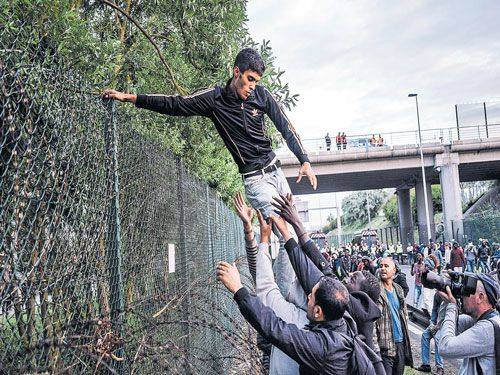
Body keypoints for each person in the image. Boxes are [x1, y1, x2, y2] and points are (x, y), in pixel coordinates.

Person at [103, 48, 317, 220]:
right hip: (255, 180)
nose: (252, 86)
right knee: (283, 228)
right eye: (250, 79)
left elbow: (285, 127)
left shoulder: (262, 95)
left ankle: (308, 274)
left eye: (256, 81)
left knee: (296, 227)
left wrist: (304, 160)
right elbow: (175, 104)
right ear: (236, 72)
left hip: (276, 172)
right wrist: (130, 98)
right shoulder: (214, 100)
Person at [216, 262, 353, 374]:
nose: (308, 297)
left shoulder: (321, 347)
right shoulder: (342, 321)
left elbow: (274, 327)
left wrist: (238, 289)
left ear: (318, 311)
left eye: (311, 296)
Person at [438, 273, 500, 375]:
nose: (462, 296)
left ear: (480, 297)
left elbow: (445, 348)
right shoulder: (477, 320)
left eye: (467, 291)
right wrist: (447, 300)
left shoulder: (486, 329)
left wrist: (452, 306)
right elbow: (444, 327)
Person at [375, 257, 413, 375]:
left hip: (400, 343)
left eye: (386, 266)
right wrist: (375, 350)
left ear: (394, 271)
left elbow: (404, 316)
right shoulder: (376, 291)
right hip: (384, 346)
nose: (382, 269)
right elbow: (372, 322)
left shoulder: (398, 289)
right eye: (381, 266)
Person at [416, 293, 445, 375]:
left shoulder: (450, 297)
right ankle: (426, 365)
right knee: (425, 335)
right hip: (436, 324)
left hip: (445, 325)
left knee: (438, 338)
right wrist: (432, 323)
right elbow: (434, 310)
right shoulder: (437, 295)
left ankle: (440, 367)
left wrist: (438, 327)